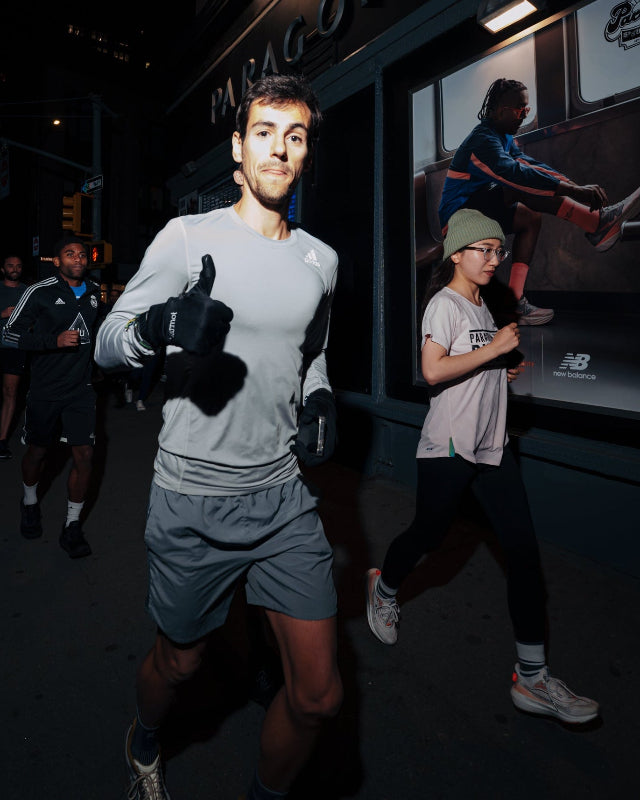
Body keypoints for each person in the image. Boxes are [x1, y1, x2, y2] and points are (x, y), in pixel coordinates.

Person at [95, 73, 342, 800]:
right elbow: (107, 343)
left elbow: (314, 349)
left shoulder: (321, 261)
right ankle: (144, 738)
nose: (279, 148)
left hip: (282, 499)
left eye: (295, 137)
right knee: (183, 664)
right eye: (264, 132)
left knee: (319, 697)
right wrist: (156, 326)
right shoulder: (187, 238)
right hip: (193, 498)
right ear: (238, 147)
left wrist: (321, 392)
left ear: (305, 154)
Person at [366, 208, 599, 725]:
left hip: (494, 447)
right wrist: (493, 349)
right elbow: (432, 370)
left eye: (499, 251)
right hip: (450, 446)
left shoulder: (485, 308)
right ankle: (383, 588)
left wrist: (502, 365)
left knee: (523, 556)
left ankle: (533, 678)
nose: (495, 260)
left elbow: (474, 364)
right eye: (485, 250)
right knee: (427, 535)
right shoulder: (444, 306)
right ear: (457, 253)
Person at [438, 77, 640, 326]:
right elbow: (514, 174)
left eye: (528, 110)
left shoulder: (503, 137)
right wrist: (574, 192)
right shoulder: (482, 141)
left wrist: (574, 188)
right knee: (514, 187)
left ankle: (514, 304)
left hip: (478, 212)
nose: (524, 115)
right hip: (456, 221)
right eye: (521, 110)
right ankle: (596, 224)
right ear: (502, 111)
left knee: (530, 218)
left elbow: (532, 166)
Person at [2, 235, 103, 557]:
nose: (78, 259)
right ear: (57, 261)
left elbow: (98, 332)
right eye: (69, 254)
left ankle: (72, 526)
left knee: (85, 456)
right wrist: (52, 341)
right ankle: (30, 500)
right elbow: (9, 334)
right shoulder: (39, 291)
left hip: (81, 390)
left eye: (82, 255)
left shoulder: (94, 291)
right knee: (37, 454)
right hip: (45, 389)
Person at [0, 254, 27, 459]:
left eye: (18, 266)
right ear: (3, 269)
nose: (14, 269)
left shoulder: (27, 291)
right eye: (10, 266)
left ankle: (2, 441)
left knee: (11, 392)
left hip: (14, 347)